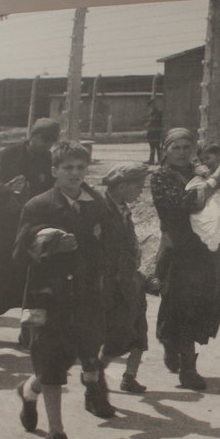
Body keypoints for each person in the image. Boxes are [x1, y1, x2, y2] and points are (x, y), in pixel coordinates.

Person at [13, 142, 113, 439]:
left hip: (85, 297)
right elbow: (19, 252)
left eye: (80, 168)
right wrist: (47, 241)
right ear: (55, 171)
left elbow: (109, 244)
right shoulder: (38, 205)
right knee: (52, 360)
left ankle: (29, 392)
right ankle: (56, 433)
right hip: (49, 296)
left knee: (70, 358)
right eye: (67, 168)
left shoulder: (96, 203)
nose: (74, 174)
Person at [149, 127, 220, 389]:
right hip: (179, 248)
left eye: (187, 148)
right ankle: (188, 367)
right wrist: (211, 185)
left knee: (207, 302)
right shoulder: (160, 178)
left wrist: (213, 182)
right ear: (165, 150)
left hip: (206, 247)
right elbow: (182, 204)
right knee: (180, 304)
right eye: (176, 148)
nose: (182, 153)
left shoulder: (200, 171)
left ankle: (173, 342)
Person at [0, 117, 62, 323]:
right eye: (43, 138)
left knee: (31, 281)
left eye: (51, 140)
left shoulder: (49, 160)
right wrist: (7, 193)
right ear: (32, 135)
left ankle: (28, 330)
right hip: (6, 226)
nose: (46, 144)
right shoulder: (9, 154)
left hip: (32, 227)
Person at [99, 162, 150, 394]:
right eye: (137, 186)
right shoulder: (101, 209)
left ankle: (129, 376)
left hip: (130, 279)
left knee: (139, 329)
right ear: (121, 186)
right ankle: (96, 372)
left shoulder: (122, 208)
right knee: (118, 333)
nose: (140, 191)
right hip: (112, 282)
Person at [144, 99, 162, 165]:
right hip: (152, 131)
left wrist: (148, 124)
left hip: (156, 131)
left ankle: (160, 160)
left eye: (151, 105)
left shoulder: (157, 112)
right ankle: (152, 160)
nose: (151, 107)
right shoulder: (152, 112)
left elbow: (154, 121)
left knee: (157, 146)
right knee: (152, 146)